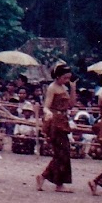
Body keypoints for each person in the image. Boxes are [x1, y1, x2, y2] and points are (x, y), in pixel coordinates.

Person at [36, 63, 77, 192]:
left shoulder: (64, 87)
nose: (67, 80)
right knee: (61, 152)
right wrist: (47, 113)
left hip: (63, 121)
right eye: (65, 77)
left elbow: (71, 104)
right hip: (55, 122)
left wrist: (73, 88)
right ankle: (56, 182)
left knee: (63, 152)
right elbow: (46, 105)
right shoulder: (52, 88)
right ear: (58, 76)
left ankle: (46, 177)